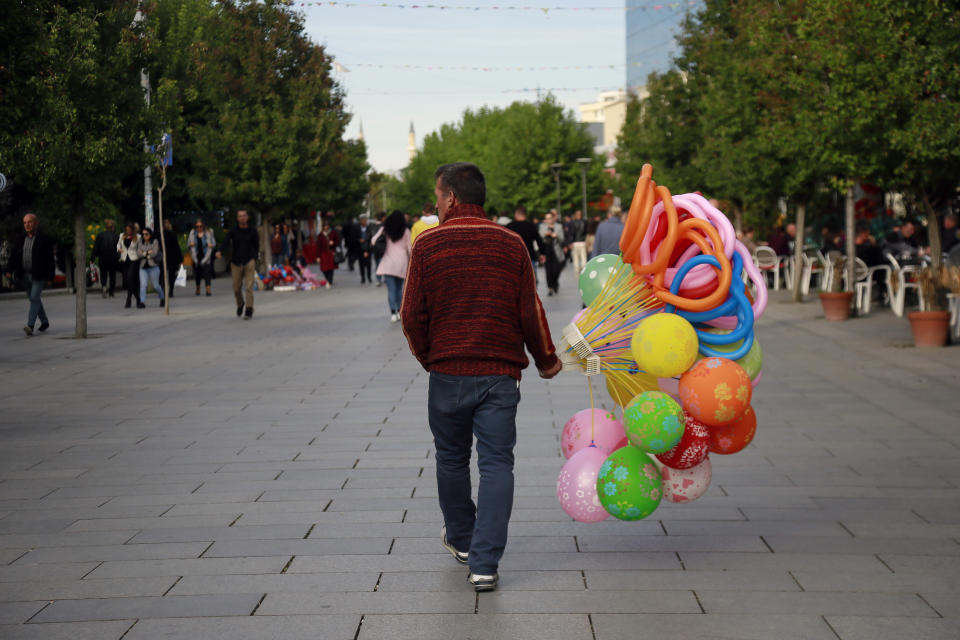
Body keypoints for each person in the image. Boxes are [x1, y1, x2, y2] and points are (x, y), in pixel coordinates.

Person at [401, 162, 562, 592]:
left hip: (448, 371)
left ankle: (462, 540)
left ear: (451, 197)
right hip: (499, 373)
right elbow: (530, 310)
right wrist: (546, 360)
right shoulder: (511, 244)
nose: (435, 204)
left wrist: (430, 357)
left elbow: (410, 314)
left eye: (437, 196)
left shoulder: (428, 245)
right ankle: (485, 564)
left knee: (451, 458)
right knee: (496, 464)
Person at [6, 213, 55, 335]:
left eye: (30, 222)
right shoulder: (21, 239)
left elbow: (50, 260)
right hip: (24, 275)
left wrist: (50, 277)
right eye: (25, 223)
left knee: (34, 298)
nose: (27, 225)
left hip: (39, 275)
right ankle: (44, 321)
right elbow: (14, 256)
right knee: (34, 299)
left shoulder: (44, 239)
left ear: (35, 223)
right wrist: (9, 270)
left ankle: (30, 325)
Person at [216, 209, 259, 319]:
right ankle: (240, 304)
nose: (242, 218)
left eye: (244, 215)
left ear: (247, 217)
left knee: (249, 287)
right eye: (240, 216)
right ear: (237, 218)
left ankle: (249, 309)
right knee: (236, 288)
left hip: (249, 261)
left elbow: (256, 245)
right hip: (236, 262)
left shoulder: (253, 230)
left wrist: (254, 258)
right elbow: (226, 241)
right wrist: (219, 250)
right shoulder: (233, 231)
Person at [371, 210, 411, 322]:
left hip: (389, 262)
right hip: (402, 263)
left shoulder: (385, 229)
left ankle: (393, 312)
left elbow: (373, 240)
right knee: (399, 290)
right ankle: (399, 311)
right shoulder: (406, 231)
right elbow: (409, 248)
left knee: (391, 290)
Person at [505, 206, 541, 280]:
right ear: (525, 214)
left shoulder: (509, 227)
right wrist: (542, 253)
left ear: (516, 214)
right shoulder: (531, 226)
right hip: (530, 257)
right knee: (531, 281)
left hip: (513, 259)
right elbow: (539, 240)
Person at [538, 211, 566, 296]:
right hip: (546, 251)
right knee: (548, 270)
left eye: (550, 218)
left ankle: (555, 282)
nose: (548, 220)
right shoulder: (542, 227)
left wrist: (556, 235)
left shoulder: (559, 226)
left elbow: (562, 239)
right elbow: (539, 238)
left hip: (556, 251)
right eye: (547, 219)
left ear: (553, 218)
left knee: (556, 269)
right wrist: (545, 234)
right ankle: (550, 288)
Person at [137, 227, 164, 308]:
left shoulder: (155, 241)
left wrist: (144, 253)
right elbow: (138, 253)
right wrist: (147, 253)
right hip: (143, 267)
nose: (144, 236)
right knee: (143, 285)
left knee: (156, 286)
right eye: (143, 234)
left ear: (150, 234)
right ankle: (142, 302)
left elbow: (155, 253)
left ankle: (162, 298)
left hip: (153, 267)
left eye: (146, 234)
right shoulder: (140, 242)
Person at [92, 219, 120, 298]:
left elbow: (96, 247)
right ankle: (111, 292)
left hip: (103, 258)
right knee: (112, 275)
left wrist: (93, 257)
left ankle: (104, 286)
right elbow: (119, 248)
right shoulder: (116, 236)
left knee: (103, 274)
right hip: (113, 259)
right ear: (113, 227)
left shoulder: (100, 235)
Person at [188, 219, 216, 296]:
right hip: (196, 255)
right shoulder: (192, 233)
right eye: (197, 226)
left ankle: (208, 289)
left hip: (206, 254)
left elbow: (213, 243)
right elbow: (188, 244)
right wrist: (191, 244)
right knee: (197, 273)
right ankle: (198, 288)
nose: (199, 228)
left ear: (203, 226)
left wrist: (211, 245)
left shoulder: (208, 233)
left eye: (200, 226)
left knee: (207, 272)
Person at [117, 223, 141, 309]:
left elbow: (139, 248)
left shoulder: (138, 237)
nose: (128, 231)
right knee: (127, 281)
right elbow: (118, 244)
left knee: (130, 278)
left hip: (134, 260)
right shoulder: (122, 235)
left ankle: (130, 299)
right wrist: (119, 249)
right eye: (127, 230)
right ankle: (136, 299)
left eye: (130, 230)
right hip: (124, 259)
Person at [161, 219, 183, 298]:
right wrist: (180, 259)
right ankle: (170, 291)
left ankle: (164, 290)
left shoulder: (161, 234)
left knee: (164, 274)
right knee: (171, 275)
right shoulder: (171, 234)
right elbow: (176, 247)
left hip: (165, 257)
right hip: (172, 257)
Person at [316, 222, 337, 287]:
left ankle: (330, 281)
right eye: (325, 226)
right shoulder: (320, 236)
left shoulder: (332, 234)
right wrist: (318, 256)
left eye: (327, 226)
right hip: (323, 253)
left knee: (331, 268)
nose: (326, 227)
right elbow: (318, 247)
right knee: (324, 268)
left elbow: (337, 241)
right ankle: (328, 279)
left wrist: (333, 243)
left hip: (331, 253)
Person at [566, 209, 587, 273]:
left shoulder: (573, 222)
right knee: (580, 259)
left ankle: (580, 272)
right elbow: (570, 233)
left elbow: (570, 233)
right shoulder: (583, 222)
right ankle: (581, 271)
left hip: (578, 243)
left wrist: (570, 243)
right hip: (579, 242)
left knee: (579, 260)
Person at [357, 214, 374, 284]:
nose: (365, 222)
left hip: (368, 249)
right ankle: (363, 277)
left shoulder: (369, 229)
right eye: (363, 220)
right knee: (361, 264)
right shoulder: (357, 229)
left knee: (368, 264)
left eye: (365, 220)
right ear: (360, 221)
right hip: (360, 249)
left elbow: (371, 239)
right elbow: (353, 238)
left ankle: (369, 277)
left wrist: (367, 250)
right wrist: (359, 240)